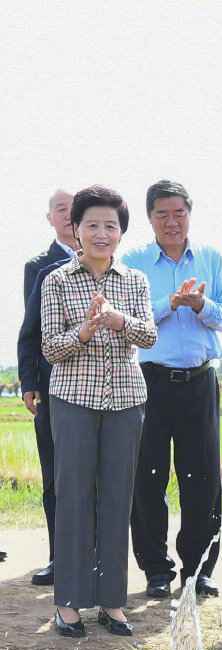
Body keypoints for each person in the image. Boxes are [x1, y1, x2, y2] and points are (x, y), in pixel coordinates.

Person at [40, 185, 157, 637]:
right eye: (92, 225)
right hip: (73, 401)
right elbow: (50, 348)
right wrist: (85, 332)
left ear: (122, 232)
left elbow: (148, 337)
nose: (102, 233)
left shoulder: (135, 281)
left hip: (127, 401)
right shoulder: (57, 281)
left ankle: (112, 602)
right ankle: (68, 603)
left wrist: (119, 321)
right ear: (76, 229)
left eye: (111, 225)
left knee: (116, 498)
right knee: (73, 497)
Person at [122, 181, 222, 600]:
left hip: (199, 380)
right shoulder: (134, 262)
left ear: (190, 213)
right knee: (148, 476)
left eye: (179, 213)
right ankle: (156, 569)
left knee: (203, 477)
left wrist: (200, 306)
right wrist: (170, 303)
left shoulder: (211, 258)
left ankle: (199, 569)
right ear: (150, 218)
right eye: (162, 214)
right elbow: (129, 321)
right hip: (150, 380)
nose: (171, 222)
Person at [18, 189, 78, 587]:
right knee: (55, 474)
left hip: (98, 389)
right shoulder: (40, 267)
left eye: (76, 209)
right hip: (53, 385)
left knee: (93, 477)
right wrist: (29, 382)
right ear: (50, 219)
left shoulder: (106, 261)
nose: (70, 215)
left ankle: (92, 557)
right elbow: (32, 329)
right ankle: (60, 558)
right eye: (61, 209)